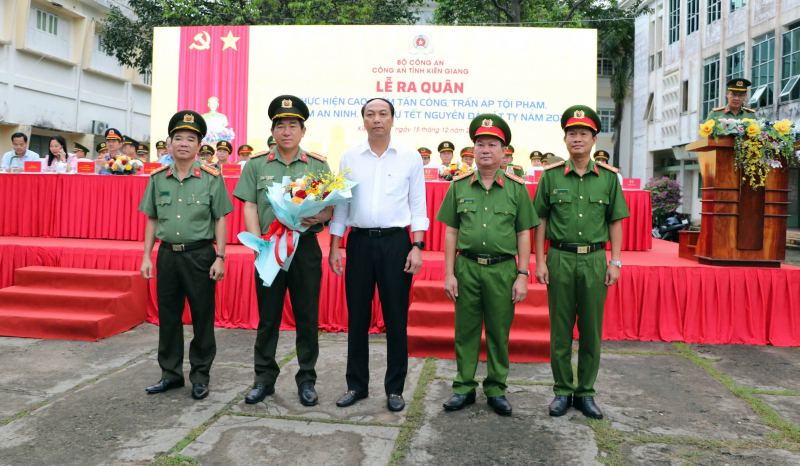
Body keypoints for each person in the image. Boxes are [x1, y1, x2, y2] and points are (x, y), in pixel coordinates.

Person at [329, 97, 428, 412]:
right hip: (358, 243)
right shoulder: (350, 157)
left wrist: (418, 245)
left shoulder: (409, 157)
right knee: (357, 317)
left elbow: (418, 205)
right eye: (370, 114)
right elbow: (342, 204)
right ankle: (356, 385)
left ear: (392, 119)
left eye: (382, 114)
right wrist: (335, 245)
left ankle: (395, 389)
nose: (376, 119)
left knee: (396, 318)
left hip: (396, 244)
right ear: (363, 120)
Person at [233, 95, 332, 407]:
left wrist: (322, 216)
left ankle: (306, 380)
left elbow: (332, 205)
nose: (286, 130)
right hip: (269, 249)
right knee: (268, 318)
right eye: (280, 125)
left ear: (302, 131)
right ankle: (263, 379)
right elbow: (249, 203)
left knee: (307, 316)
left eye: (292, 125)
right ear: (273, 131)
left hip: (305, 249)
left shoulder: (317, 164)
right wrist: (256, 243)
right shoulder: (256, 164)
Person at [436, 114, 538, 416]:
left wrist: (522, 275)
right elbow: (451, 231)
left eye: (492, 144)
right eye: (479, 144)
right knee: (465, 331)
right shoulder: (458, 186)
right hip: (466, 268)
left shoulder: (517, 189)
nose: (485, 150)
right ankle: (464, 388)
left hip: (503, 270)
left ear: (504, 151)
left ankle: (495, 388)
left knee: (498, 331)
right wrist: (448, 273)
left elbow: (523, 233)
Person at [533, 105, 630, 420]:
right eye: (572, 133)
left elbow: (615, 221)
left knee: (591, 330)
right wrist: (540, 260)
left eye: (583, 134)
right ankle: (562, 391)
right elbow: (541, 221)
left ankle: (585, 392)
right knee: (560, 330)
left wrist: (615, 261)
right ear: (565, 140)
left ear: (594, 139)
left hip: (594, 261)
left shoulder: (608, 179)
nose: (577, 139)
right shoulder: (550, 177)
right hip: (559, 258)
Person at [138, 110, 234, 400]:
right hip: (167, 255)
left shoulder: (211, 177)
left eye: (190, 139)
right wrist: (146, 256)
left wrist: (220, 256)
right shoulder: (158, 178)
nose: (183, 143)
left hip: (200, 256)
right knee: (168, 317)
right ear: (169, 144)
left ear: (199, 145)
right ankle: (170, 374)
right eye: (177, 138)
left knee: (202, 317)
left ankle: (200, 376)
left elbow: (220, 218)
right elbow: (152, 219)